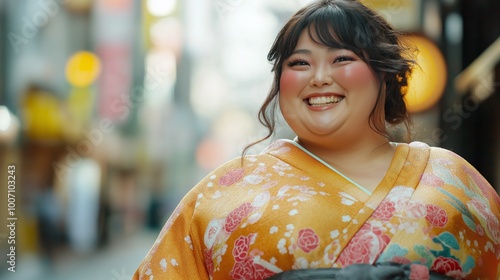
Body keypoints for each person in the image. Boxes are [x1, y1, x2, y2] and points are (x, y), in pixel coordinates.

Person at [133, 0, 500, 279]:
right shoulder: (219, 195)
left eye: (341, 58)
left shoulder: (456, 181)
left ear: (384, 75)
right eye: (299, 63)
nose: (319, 77)